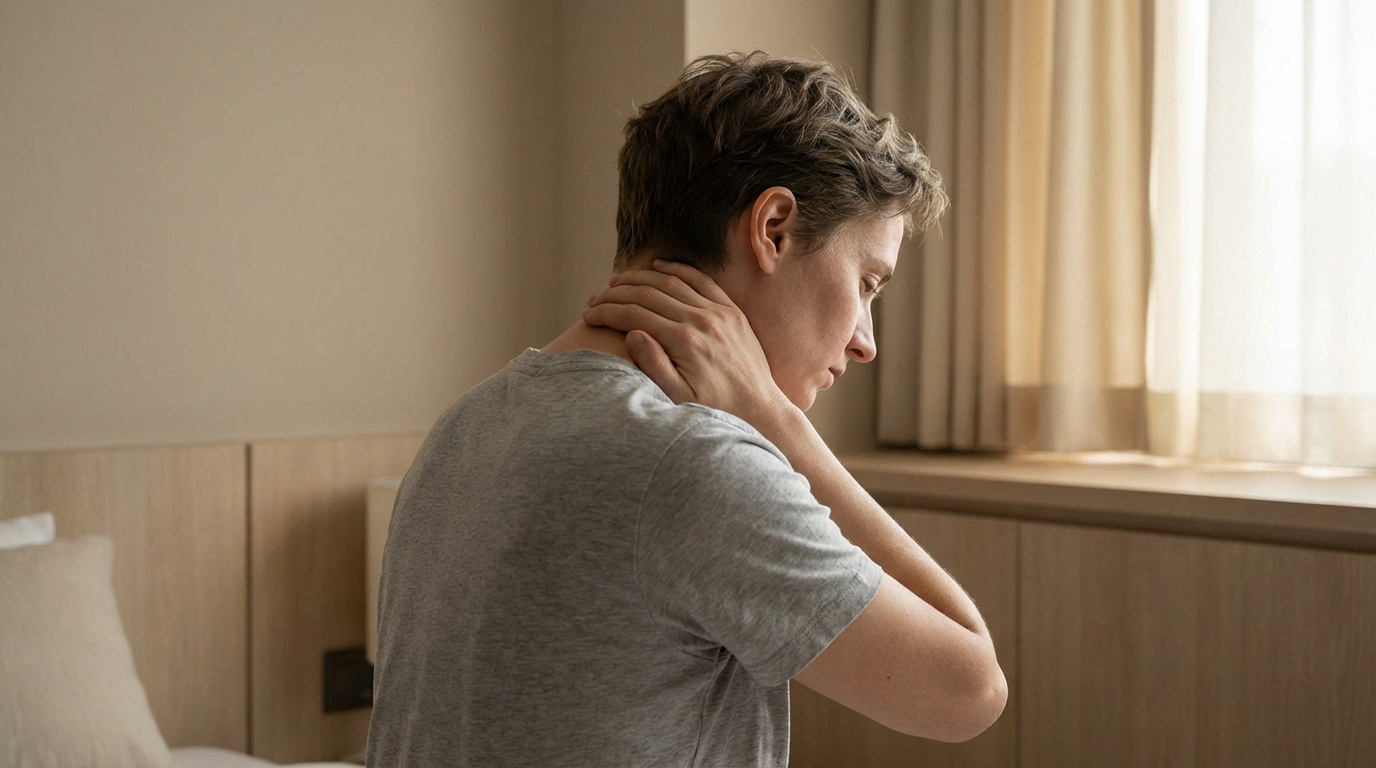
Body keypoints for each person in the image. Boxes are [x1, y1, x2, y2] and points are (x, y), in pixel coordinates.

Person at [366, 51, 1007, 768]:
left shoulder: (471, 423)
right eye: (865, 282)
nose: (865, 343)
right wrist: (780, 424)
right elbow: (971, 692)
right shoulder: (694, 460)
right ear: (773, 229)